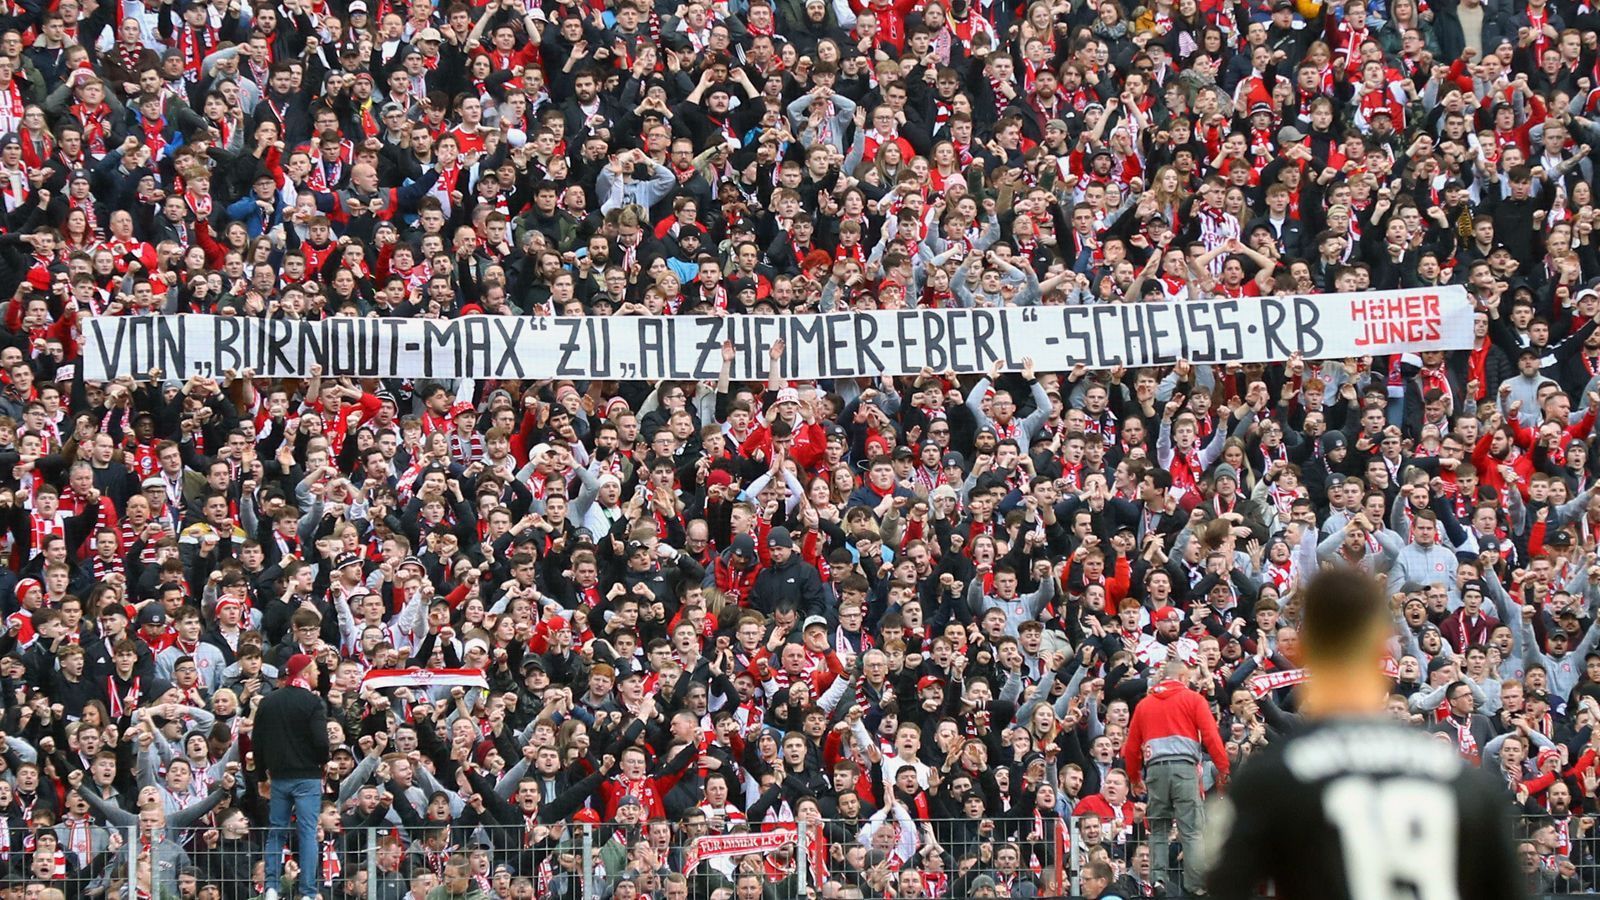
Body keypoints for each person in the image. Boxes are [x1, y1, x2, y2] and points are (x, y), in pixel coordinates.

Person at [1204, 569, 1524, 899]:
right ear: (1379, 647)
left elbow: (1224, 885)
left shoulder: (1270, 779)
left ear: (1308, 649)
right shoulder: (1462, 782)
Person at [1125, 655, 1230, 895]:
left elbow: (1131, 748)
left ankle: (1158, 881)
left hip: (1154, 772)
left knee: (1159, 828)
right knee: (1191, 829)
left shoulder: (1144, 705)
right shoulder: (1193, 699)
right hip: (1184, 770)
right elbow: (1212, 737)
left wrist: (1134, 778)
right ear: (1183, 677)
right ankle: (1197, 885)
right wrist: (1223, 768)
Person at [253, 653, 329, 900]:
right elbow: (321, 741)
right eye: (316, 669)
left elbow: (258, 742)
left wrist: (262, 775)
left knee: (277, 831)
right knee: (307, 832)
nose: (318, 673)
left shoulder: (268, 702)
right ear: (305, 673)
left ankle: (272, 887)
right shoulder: (312, 703)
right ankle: (307, 891)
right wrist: (323, 761)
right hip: (307, 776)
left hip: (278, 777)